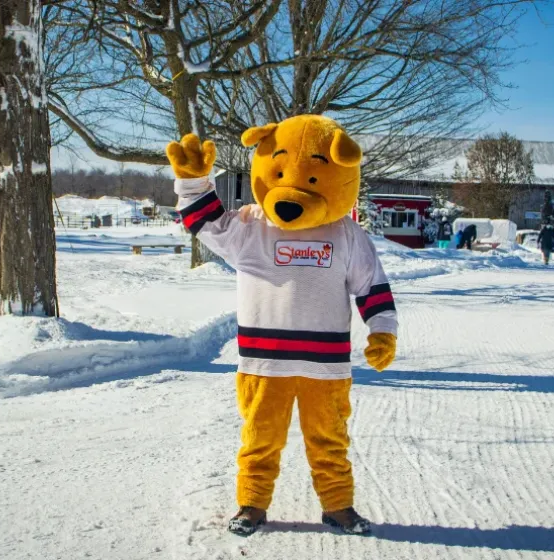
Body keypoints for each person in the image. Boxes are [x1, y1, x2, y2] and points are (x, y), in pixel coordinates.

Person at [168, 115, 397, 537]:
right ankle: (252, 504)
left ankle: (338, 505)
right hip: (263, 365)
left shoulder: (347, 235)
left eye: (312, 179)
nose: (291, 192)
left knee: (330, 441)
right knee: (260, 438)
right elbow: (207, 224)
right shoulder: (251, 227)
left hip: (326, 369)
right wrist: (193, 183)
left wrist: (382, 330)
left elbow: (372, 286)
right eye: (279, 172)